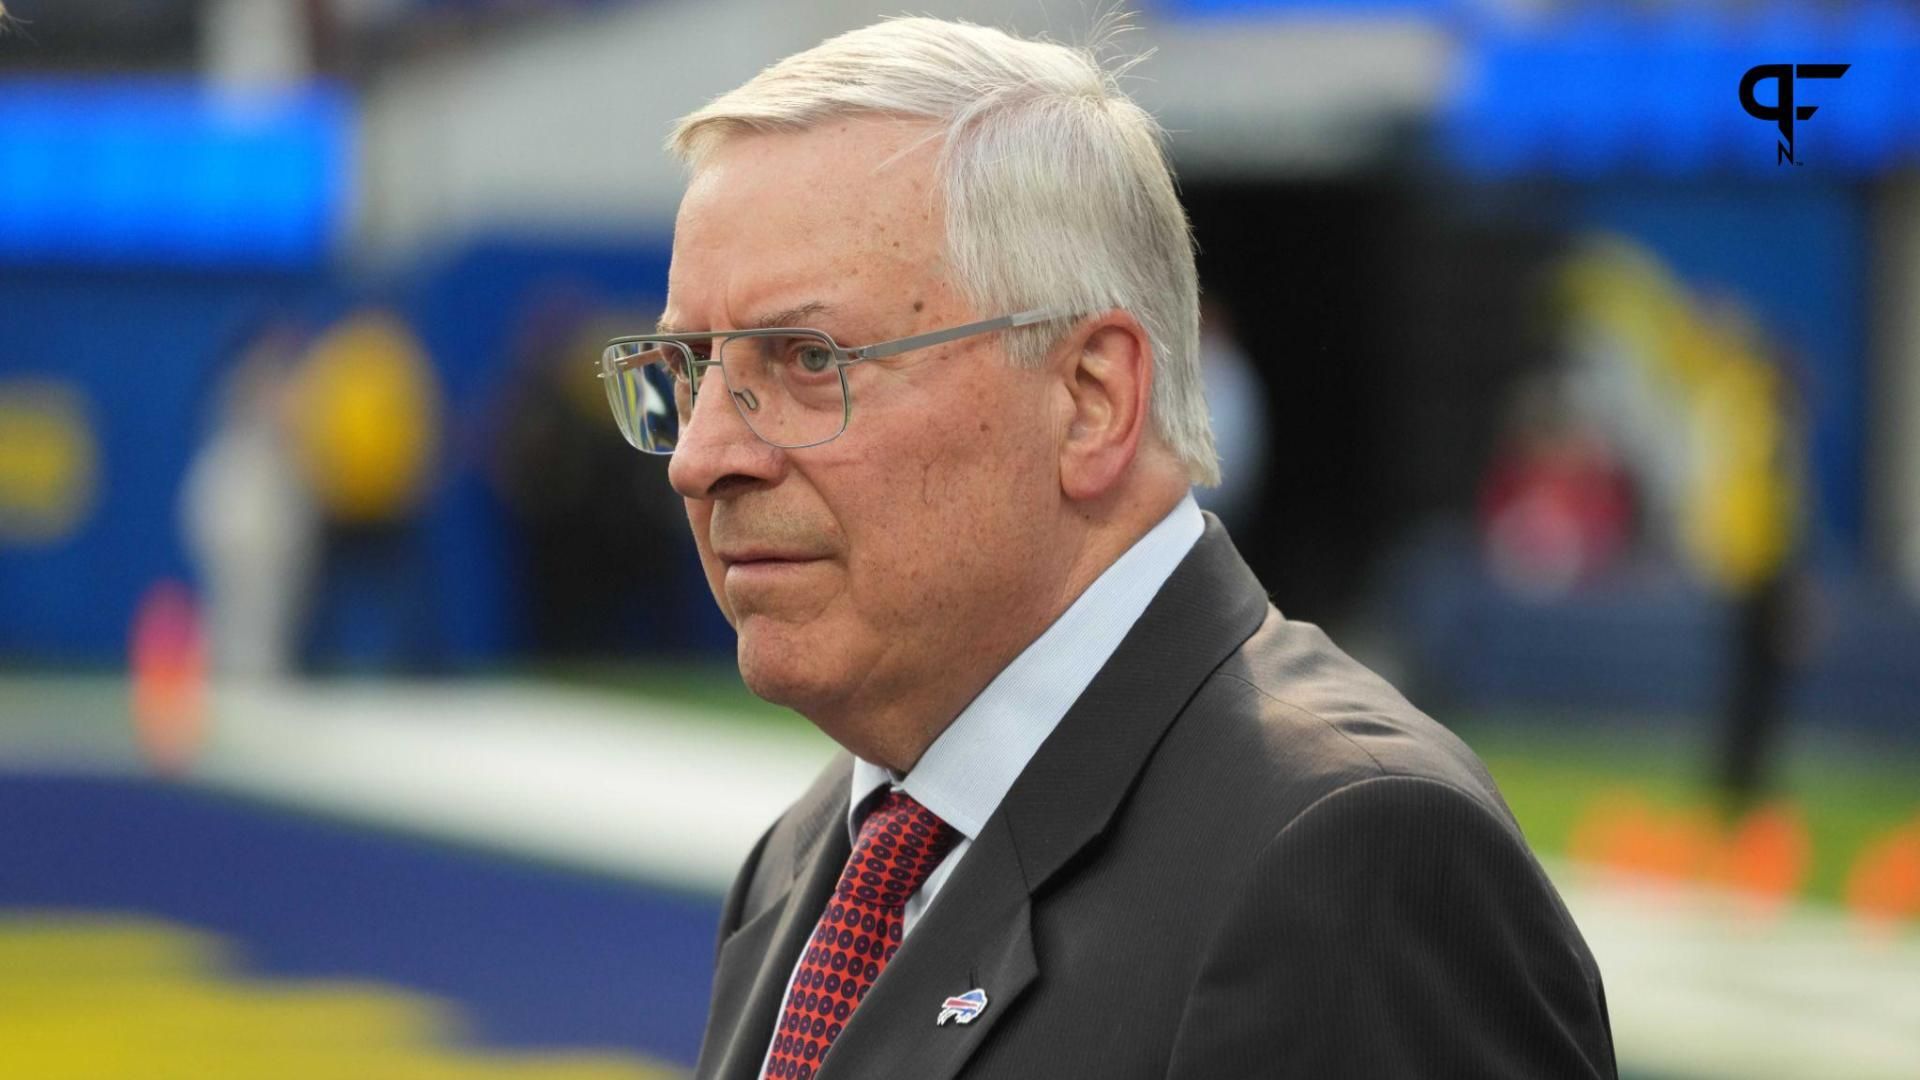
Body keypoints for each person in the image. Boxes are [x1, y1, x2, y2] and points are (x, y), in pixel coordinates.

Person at [599, 18, 1615, 1079]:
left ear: (1090, 399)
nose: (701, 454)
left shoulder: (1346, 857)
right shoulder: (817, 854)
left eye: (808, 358)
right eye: (691, 367)